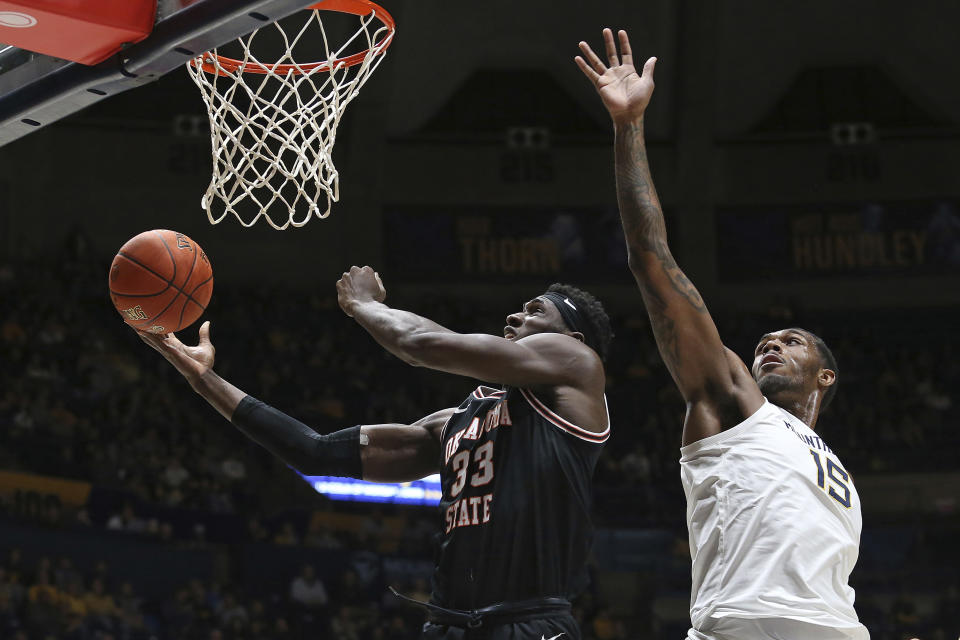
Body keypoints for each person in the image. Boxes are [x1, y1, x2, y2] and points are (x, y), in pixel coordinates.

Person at [576, 28, 869, 640]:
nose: (770, 344)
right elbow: (651, 260)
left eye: (791, 340)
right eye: (766, 339)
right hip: (742, 627)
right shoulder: (734, 403)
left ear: (826, 374)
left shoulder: (832, 466)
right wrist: (628, 126)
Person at [136, 266, 613, 640]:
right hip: (448, 625)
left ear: (569, 340)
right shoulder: (454, 423)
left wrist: (362, 303)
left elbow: (419, 343)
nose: (515, 317)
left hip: (529, 625)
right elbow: (315, 453)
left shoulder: (577, 366)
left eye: (535, 312)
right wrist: (203, 381)